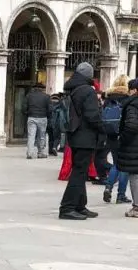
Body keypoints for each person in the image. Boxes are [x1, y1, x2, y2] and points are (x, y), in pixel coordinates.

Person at [58, 62, 102, 220]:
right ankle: (67, 208)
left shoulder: (72, 89)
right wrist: (101, 127)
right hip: (85, 137)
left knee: (80, 172)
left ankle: (80, 205)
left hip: (75, 136)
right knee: (78, 173)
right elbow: (92, 115)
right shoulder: (87, 91)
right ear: (89, 75)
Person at [101, 75, 130, 205]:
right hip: (123, 135)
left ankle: (108, 186)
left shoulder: (108, 98)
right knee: (125, 166)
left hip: (111, 135)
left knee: (116, 163)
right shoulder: (128, 99)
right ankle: (121, 195)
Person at [116, 77, 138, 218]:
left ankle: (136, 207)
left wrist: (122, 138)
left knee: (135, 176)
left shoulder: (133, 105)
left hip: (134, 145)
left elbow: (131, 125)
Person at [24, 81, 51, 159]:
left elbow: (24, 107)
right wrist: (47, 116)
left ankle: (29, 153)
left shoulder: (29, 96)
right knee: (42, 136)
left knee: (31, 136)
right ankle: (40, 153)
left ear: (34, 88)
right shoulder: (46, 97)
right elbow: (50, 109)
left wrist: (28, 114)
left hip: (31, 117)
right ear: (42, 89)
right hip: (42, 117)